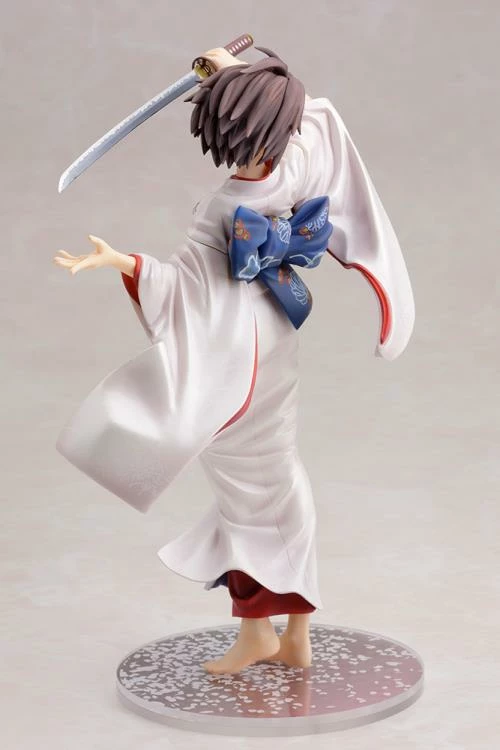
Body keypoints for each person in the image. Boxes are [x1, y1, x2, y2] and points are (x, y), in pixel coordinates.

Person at [54, 47, 414, 675]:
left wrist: (128, 265)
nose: (234, 152)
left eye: (238, 132)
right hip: (269, 331)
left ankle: (258, 634)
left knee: (250, 492)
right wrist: (231, 71)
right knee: (273, 481)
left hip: (238, 350)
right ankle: (294, 633)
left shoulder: (229, 206)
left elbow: (186, 284)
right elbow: (305, 118)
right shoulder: (298, 161)